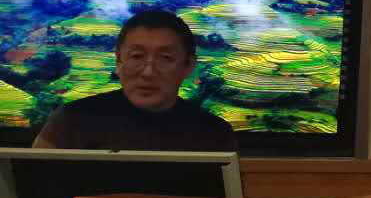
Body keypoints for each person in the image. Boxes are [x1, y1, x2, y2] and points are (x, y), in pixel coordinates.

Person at [32, 8, 238, 152]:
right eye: (137, 56)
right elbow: (31, 186)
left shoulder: (214, 134)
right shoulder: (71, 121)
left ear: (188, 66)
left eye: (165, 58)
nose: (148, 72)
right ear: (119, 61)